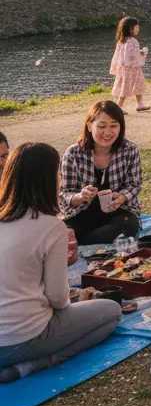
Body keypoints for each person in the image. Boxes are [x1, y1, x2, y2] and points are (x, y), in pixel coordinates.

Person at [0, 143, 121, 383]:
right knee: (112, 312)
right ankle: (35, 364)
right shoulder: (51, 226)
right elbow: (58, 299)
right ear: (48, 180)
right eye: (57, 172)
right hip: (22, 339)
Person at [60, 101, 142, 244]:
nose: (108, 132)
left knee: (127, 226)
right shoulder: (73, 153)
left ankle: (81, 241)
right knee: (63, 231)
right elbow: (64, 194)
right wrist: (80, 196)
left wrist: (122, 197)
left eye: (114, 126)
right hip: (82, 214)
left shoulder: (130, 149)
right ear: (90, 126)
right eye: (102, 126)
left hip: (119, 212)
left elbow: (134, 185)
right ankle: (87, 239)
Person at [110, 16, 149, 112]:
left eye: (137, 26)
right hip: (132, 69)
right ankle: (118, 107)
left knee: (137, 85)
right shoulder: (133, 41)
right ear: (129, 29)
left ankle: (140, 104)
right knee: (126, 88)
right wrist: (143, 53)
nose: (137, 28)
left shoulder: (121, 41)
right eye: (135, 27)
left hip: (124, 68)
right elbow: (133, 56)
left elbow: (122, 55)